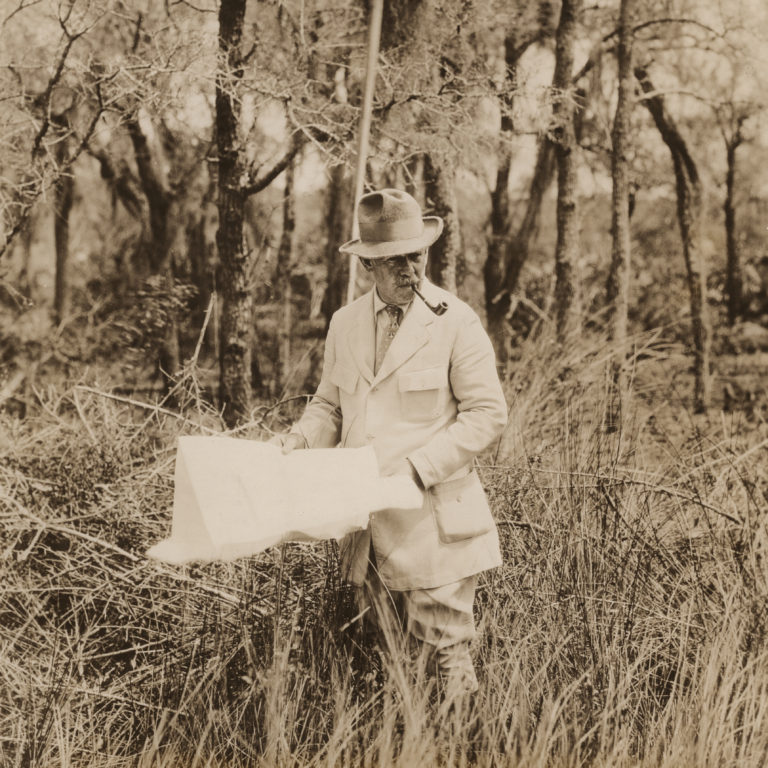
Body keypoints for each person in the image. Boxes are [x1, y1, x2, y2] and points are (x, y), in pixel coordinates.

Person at [275, 188, 507, 696]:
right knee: (387, 664)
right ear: (368, 265)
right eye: (394, 260)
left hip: (435, 527)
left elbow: (488, 414)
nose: (410, 270)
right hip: (367, 531)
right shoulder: (345, 323)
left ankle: (464, 739)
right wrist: (297, 440)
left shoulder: (456, 321)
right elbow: (330, 405)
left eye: (416, 256)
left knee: (448, 661)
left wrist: (417, 469)